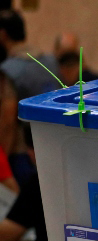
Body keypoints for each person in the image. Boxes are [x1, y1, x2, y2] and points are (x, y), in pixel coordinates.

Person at [0, 10, 61, 158]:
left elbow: (8, 124)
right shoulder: (51, 62)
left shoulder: (9, 70)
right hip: (55, 143)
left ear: (3, 34)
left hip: (24, 153)